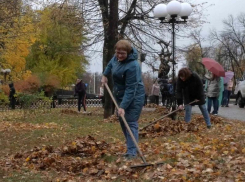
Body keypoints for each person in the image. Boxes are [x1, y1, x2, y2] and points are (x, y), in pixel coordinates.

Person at [101, 39, 145, 160]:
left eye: (122, 54)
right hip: (120, 95)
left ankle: (132, 153)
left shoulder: (133, 66)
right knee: (122, 121)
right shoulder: (116, 58)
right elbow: (110, 64)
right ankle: (132, 147)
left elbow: (131, 89)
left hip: (134, 96)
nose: (119, 56)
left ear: (128, 52)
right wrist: (105, 75)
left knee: (130, 122)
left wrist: (123, 107)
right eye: (117, 53)